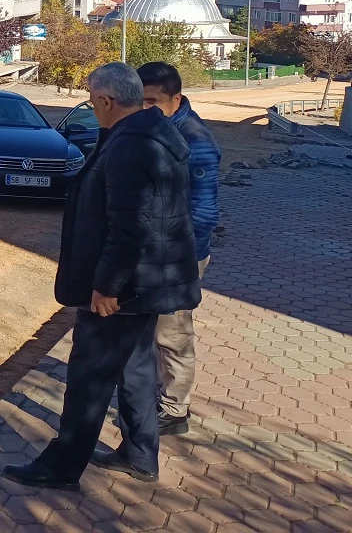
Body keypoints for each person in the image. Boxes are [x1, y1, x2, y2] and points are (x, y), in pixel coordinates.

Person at [4, 62, 200, 490]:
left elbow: (131, 225)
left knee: (89, 375)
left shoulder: (133, 145)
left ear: (107, 101)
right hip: (148, 282)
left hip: (126, 287)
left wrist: (107, 286)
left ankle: (62, 464)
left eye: (94, 102)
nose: (93, 110)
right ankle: (140, 454)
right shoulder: (150, 131)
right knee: (135, 367)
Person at [137, 61, 221, 436]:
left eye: (153, 101)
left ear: (176, 99)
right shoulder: (158, 128)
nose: (145, 108)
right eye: (140, 101)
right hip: (157, 250)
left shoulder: (195, 142)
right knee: (155, 328)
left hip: (180, 254)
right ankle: (159, 393)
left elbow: (204, 210)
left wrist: (188, 257)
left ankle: (174, 409)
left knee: (172, 331)